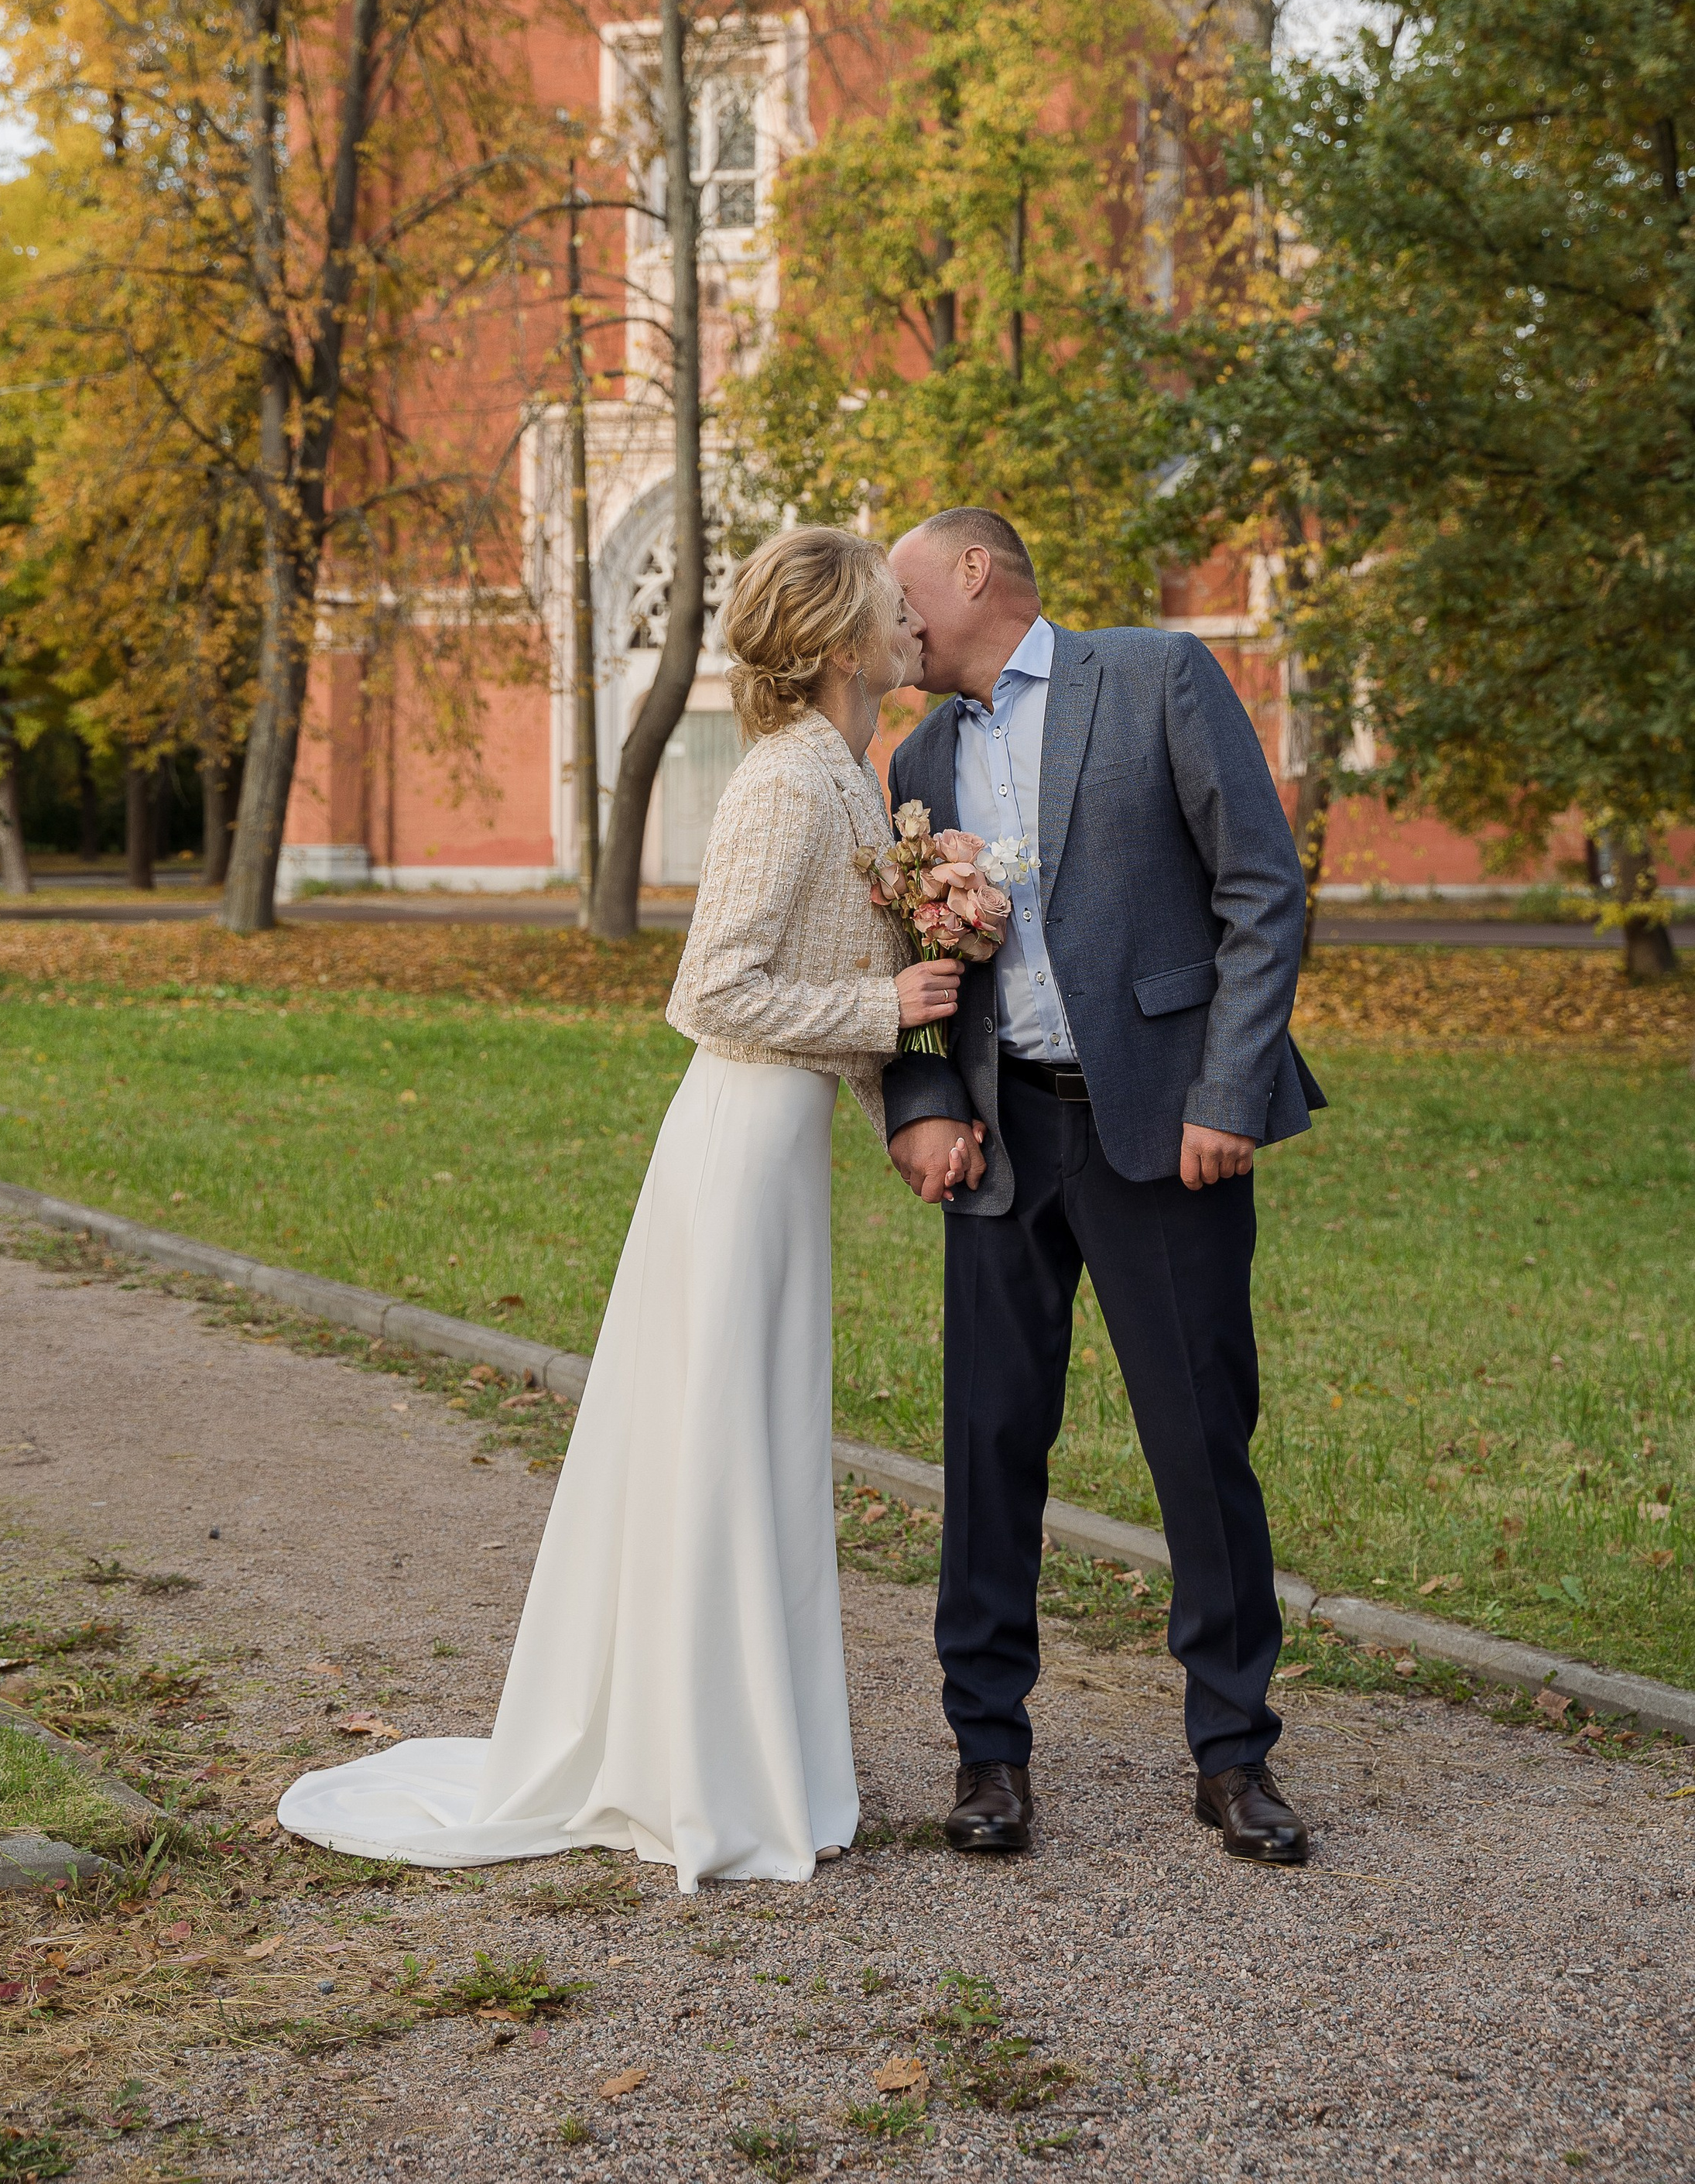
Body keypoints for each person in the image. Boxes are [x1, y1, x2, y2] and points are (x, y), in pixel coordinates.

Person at [277, 524, 960, 1891]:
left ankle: (754, 1754)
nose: (912, 624)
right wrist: (885, 1006)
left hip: (782, 1147)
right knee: (718, 1446)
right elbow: (708, 991)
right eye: (893, 610)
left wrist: (908, 1096)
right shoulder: (779, 783)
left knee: (755, 1445)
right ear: (839, 646)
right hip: (733, 1146)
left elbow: (829, 984)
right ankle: (702, 1770)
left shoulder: (848, 772)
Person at [881, 506, 1324, 1867]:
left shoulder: (1155, 677)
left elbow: (1262, 890)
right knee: (989, 1448)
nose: (889, 622)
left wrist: (1226, 1094)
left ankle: (1235, 1755)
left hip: (1163, 1132)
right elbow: (904, 950)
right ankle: (990, 1755)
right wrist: (924, 1103)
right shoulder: (917, 756)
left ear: (973, 573)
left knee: (1200, 1441)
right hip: (1000, 1141)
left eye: (902, 590)